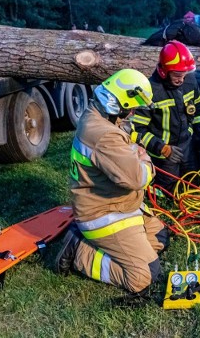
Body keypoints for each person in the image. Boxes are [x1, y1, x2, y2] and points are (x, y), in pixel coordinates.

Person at [54, 69, 169, 298]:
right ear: (121, 103)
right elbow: (136, 178)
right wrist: (146, 160)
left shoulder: (98, 114)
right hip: (104, 214)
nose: (133, 113)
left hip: (122, 205)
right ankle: (80, 252)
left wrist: (133, 151)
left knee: (161, 236)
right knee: (145, 275)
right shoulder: (104, 134)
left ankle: (119, 248)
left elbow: (125, 140)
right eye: (132, 108)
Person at [131, 40, 200, 195]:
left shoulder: (190, 81)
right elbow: (137, 131)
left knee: (193, 185)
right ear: (164, 71)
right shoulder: (150, 91)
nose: (182, 79)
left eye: (185, 74)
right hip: (163, 151)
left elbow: (199, 108)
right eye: (177, 75)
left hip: (187, 144)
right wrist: (163, 149)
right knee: (168, 193)